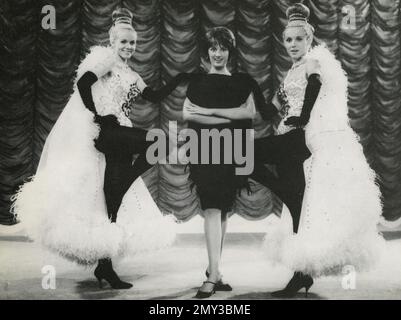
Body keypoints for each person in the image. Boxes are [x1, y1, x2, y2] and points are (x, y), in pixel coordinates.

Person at [12, 8, 188, 289]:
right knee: (159, 142)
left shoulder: (129, 71)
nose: (129, 47)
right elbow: (83, 83)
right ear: (112, 41)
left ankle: (105, 267)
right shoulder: (105, 59)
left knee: (111, 199)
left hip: (117, 133)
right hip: (106, 131)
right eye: (123, 42)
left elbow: (153, 96)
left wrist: (179, 79)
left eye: (132, 43)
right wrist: (96, 115)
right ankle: (122, 189)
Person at [261, 3, 385, 298]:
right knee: (296, 205)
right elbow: (272, 109)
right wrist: (251, 96)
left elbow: (315, 85)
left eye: (298, 39)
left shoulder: (313, 62)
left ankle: (301, 274)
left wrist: (302, 119)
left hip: (305, 145)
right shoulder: (290, 72)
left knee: (303, 204)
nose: (292, 45)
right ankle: (300, 274)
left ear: (308, 40)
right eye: (288, 40)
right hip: (290, 140)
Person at [182, 26, 257, 298]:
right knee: (212, 208)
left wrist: (212, 113)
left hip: (232, 152)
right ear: (206, 52)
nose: (218, 54)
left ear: (230, 51)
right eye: (213, 48)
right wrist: (229, 118)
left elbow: (249, 113)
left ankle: (215, 270)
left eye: (223, 48)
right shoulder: (198, 82)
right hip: (204, 150)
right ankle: (213, 275)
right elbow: (188, 114)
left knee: (223, 210)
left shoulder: (241, 81)